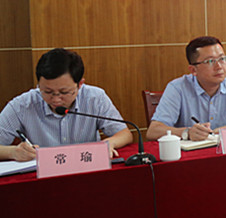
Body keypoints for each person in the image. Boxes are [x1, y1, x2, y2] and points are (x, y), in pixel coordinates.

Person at [0, 48, 132, 162]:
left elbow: (124, 134)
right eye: (47, 92)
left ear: (80, 84)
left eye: (64, 92)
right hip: (43, 176)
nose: (56, 99)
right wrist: (14, 152)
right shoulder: (22, 105)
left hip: (86, 170)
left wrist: (110, 143)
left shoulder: (95, 98)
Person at [146, 36, 226, 141]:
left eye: (222, 59)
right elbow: (153, 131)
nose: (219, 66)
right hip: (191, 154)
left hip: (225, 150)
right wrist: (187, 133)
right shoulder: (177, 88)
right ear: (193, 70)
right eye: (210, 61)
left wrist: (219, 132)